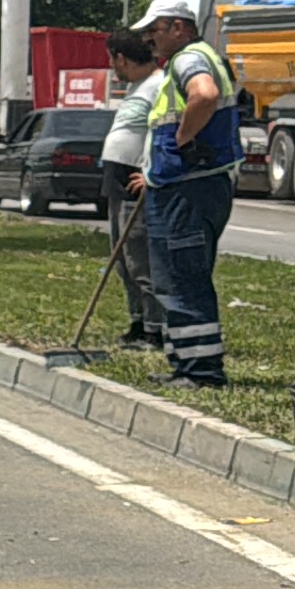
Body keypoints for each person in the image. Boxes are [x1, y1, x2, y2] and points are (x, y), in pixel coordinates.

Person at [139, 0, 240, 389]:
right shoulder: (196, 56)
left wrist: (183, 138)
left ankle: (200, 373)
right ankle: (187, 364)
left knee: (183, 278)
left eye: (154, 32)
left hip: (187, 189)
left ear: (178, 28)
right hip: (192, 186)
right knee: (179, 277)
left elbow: (205, 95)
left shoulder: (188, 59)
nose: (150, 41)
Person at [97, 28, 166, 350]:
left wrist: (150, 171)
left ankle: (156, 329)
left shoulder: (158, 85)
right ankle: (137, 322)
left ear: (121, 58)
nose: (111, 65)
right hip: (116, 178)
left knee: (140, 259)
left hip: (135, 179)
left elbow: (164, 130)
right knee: (123, 259)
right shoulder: (138, 86)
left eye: (112, 59)